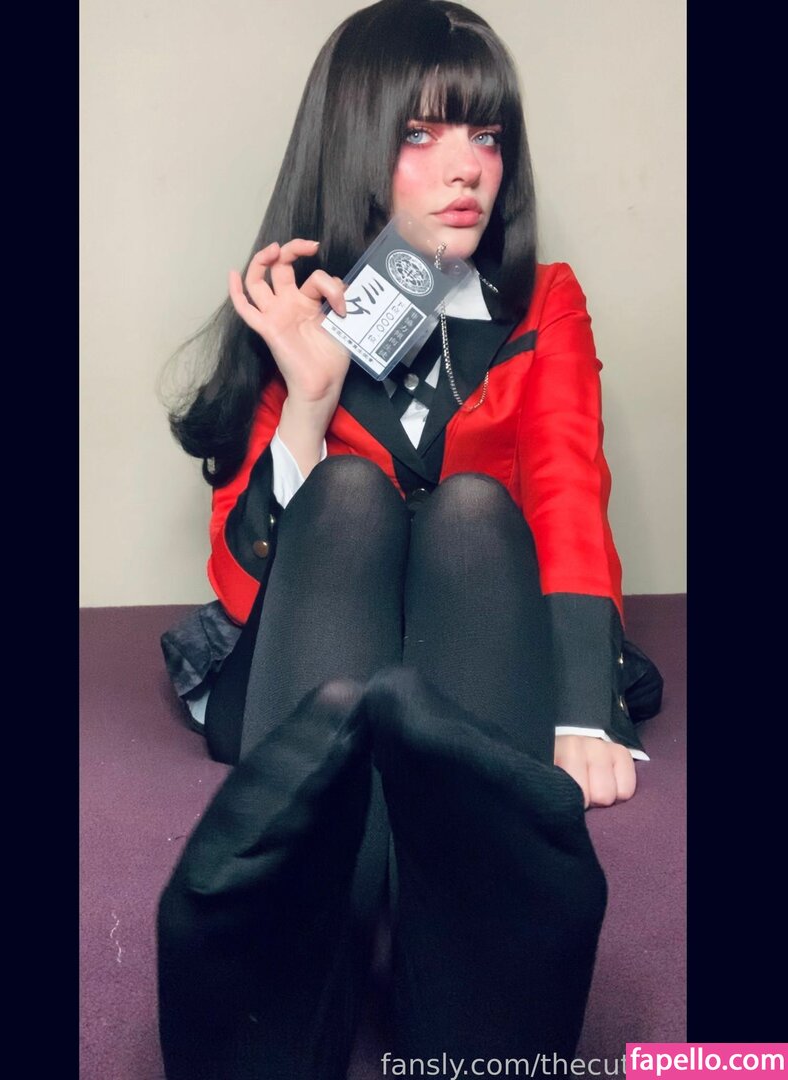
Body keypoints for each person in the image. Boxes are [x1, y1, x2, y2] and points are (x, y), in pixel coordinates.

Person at [156, 2, 663, 1077]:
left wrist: (584, 709)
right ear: (355, 143)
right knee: (345, 492)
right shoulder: (300, 310)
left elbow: (567, 487)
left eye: (486, 134)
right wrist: (307, 400)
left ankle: (470, 985)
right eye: (421, 134)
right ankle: (306, 955)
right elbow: (238, 587)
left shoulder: (544, 303)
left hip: (472, 642)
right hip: (312, 664)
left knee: (475, 510)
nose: (466, 167)